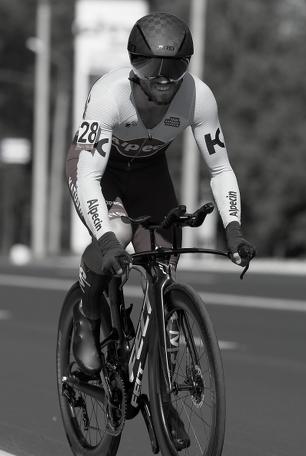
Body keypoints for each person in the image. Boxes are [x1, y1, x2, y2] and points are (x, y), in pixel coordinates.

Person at [66, 12, 255, 378]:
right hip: (99, 171)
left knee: (164, 259)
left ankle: (160, 376)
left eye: (175, 67)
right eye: (153, 68)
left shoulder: (199, 97)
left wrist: (233, 228)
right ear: (135, 64)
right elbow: (88, 176)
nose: (164, 78)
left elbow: (221, 169)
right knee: (118, 233)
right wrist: (107, 241)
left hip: (148, 172)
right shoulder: (109, 95)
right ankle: (87, 315)